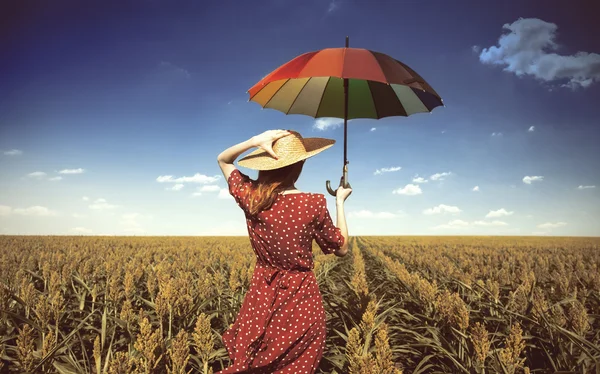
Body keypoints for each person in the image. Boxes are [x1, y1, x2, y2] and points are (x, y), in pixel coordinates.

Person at [215, 129, 352, 373]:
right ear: (298, 166)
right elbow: (341, 248)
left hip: (262, 295)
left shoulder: (252, 196)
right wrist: (340, 201)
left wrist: (253, 141)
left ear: (264, 165)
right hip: (301, 299)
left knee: (256, 360)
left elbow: (223, 160)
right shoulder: (313, 203)